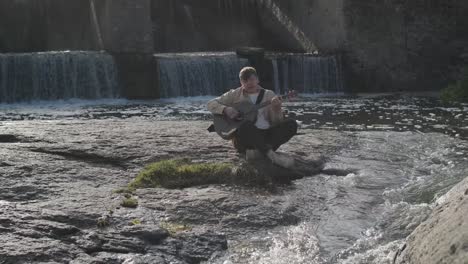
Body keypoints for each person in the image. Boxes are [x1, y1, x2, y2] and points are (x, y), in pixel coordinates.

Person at [207, 66, 297, 168]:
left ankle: (258, 152)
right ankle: (270, 154)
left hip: (266, 135)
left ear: (257, 79)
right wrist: (225, 109)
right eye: (245, 81)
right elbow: (210, 104)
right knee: (246, 126)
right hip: (245, 138)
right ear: (241, 82)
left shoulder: (269, 95)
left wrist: (276, 109)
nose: (249, 83)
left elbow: (276, 121)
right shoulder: (234, 94)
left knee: (291, 124)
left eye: (252, 80)